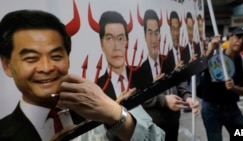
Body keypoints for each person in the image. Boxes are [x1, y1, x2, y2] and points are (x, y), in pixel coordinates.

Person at [0, 9, 165, 141]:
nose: (46, 67)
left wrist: (115, 114)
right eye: (31, 58)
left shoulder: (97, 95)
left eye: (56, 56)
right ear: (7, 65)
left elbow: (157, 137)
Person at [87, 10, 165, 141]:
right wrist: (114, 110)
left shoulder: (143, 74)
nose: (116, 46)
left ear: (126, 42)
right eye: (109, 38)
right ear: (101, 43)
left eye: (120, 38)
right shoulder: (96, 89)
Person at [135, 9, 199, 141]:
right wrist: (163, 100)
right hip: (152, 127)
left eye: (156, 32)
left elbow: (180, 82)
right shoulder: (139, 70)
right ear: (145, 36)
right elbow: (137, 97)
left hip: (173, 122)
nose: (154, 39)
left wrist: (187, 98)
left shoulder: (170, 61)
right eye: (150, 33)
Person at [200, 27, 243, 141]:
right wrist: (210, 49)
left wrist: (234, 88)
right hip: (211, 110)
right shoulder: (214, 55)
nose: (241, 41)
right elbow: (197, 69)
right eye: (238, 37)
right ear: (230, 38)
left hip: (232, 109)